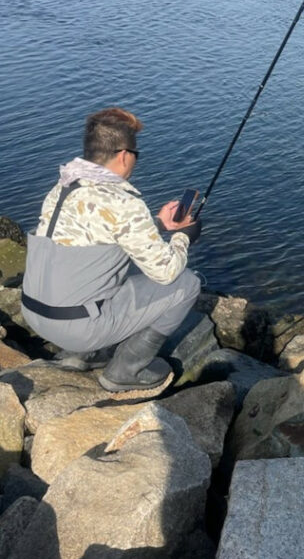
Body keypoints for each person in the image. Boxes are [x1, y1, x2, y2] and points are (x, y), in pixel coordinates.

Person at [21, 107, 202, 395]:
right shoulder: (123, 201)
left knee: (116, 264)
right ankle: (125, 371)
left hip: (33, 312)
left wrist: (158, 224)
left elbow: (99, 233)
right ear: (123, 155)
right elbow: (166, 272)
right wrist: (183, 237)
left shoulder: (64, 186)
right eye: (136, 154)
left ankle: (81, 354)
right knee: (187, 283)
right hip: (76, 328)